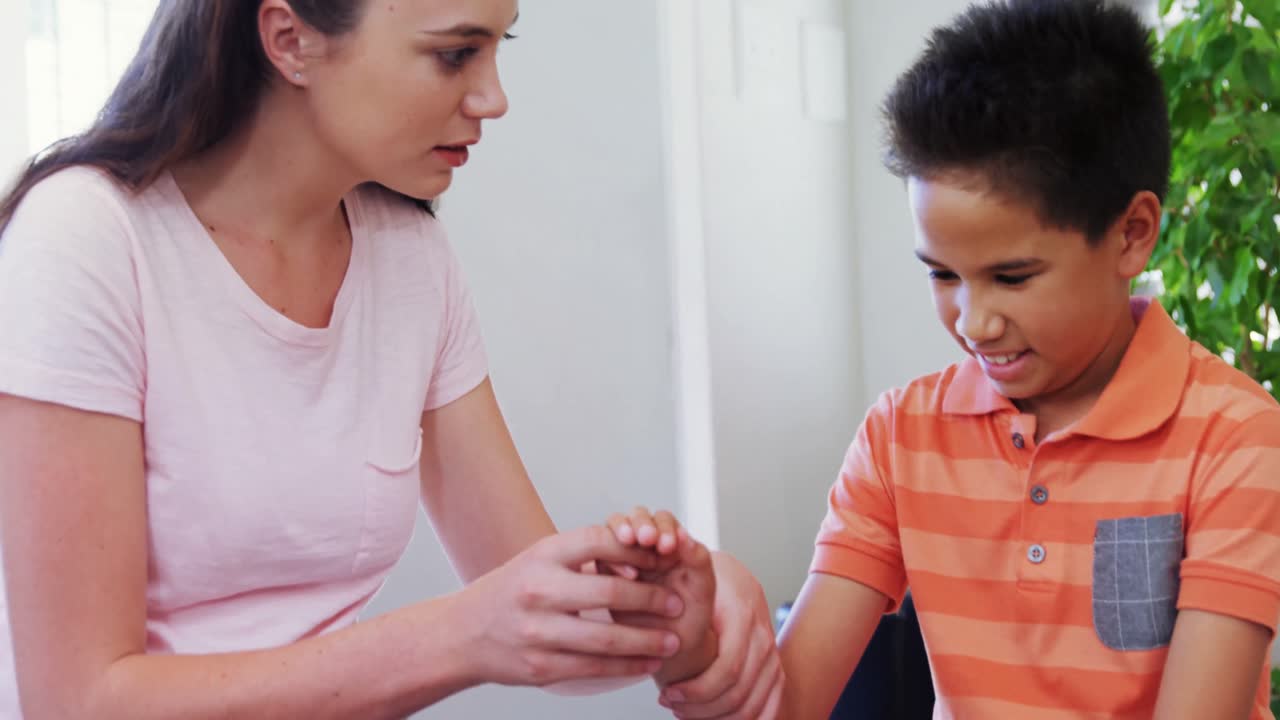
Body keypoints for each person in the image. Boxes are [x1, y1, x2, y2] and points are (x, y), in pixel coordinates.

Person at [0, 0, 780, 716]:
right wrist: (457, 636)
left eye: (496, 49)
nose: (493, 98)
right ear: (289, 40)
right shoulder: (86, 240)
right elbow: (77, 703)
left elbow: (542, 619)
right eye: (455, 55)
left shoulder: (409, 256)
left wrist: (684, 610)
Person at [735, 1, 1280, 718]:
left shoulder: (1234, 437)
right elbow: (788, 703)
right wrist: (699, 645)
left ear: (1132, 234)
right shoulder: (900, 437)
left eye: (1012, 277)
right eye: (942, 274)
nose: (973, 322)